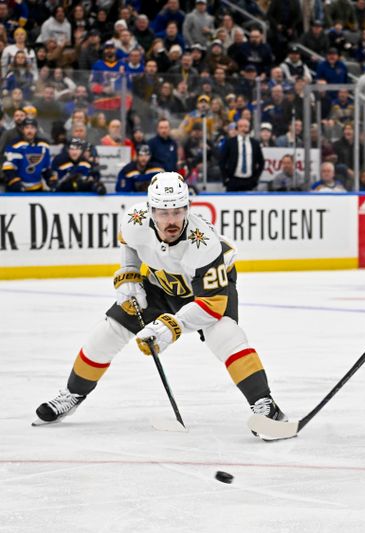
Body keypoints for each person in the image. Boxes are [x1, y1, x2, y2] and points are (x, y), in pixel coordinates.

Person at [33, 172, 286, 434]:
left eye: (178, 211)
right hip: (158, 283)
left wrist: (172, 325)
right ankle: (73, 394)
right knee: (108, 331)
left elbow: (213, 305)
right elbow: (129, 244)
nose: (171, 220)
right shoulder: (135, 219)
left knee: (225, 335)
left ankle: (265, 404)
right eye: (163, 212)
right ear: (150, 210)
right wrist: (129, 273)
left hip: (208, 293)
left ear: (188, 208)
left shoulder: (204, 243)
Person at [3, 118, 54, 192]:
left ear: (36, 129)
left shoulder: (43, 145)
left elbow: (45, 169)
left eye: (32, 128)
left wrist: (52, 181)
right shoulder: (14, 144)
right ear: (22, 130)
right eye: (27, 128)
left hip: (37, 188)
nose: (29, 131)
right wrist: (16, 184)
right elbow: (8, 168)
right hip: (17, 189)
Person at [220, 118, 264, 192]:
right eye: (241, 126)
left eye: (246, 126)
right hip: (233, 181)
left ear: (249, 129)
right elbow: (222, 161)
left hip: (249, 181)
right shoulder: (230, 143)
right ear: (237, 129)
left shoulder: (255, 143)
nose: (243, 129)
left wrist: (256, 178)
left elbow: (261, 162)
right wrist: (225, 178)